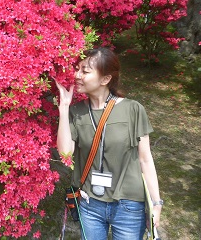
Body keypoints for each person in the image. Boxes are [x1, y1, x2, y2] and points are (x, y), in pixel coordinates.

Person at [55, 47, 162, 240]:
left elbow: (145, 160)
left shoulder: (133, 110)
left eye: (85, 71)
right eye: (77, 69)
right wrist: (64, 108)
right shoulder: (76, 112)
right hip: (89, 204)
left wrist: (157, 203)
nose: (77, 75)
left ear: (105, 79)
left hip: (128, 205)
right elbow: (65, 153)